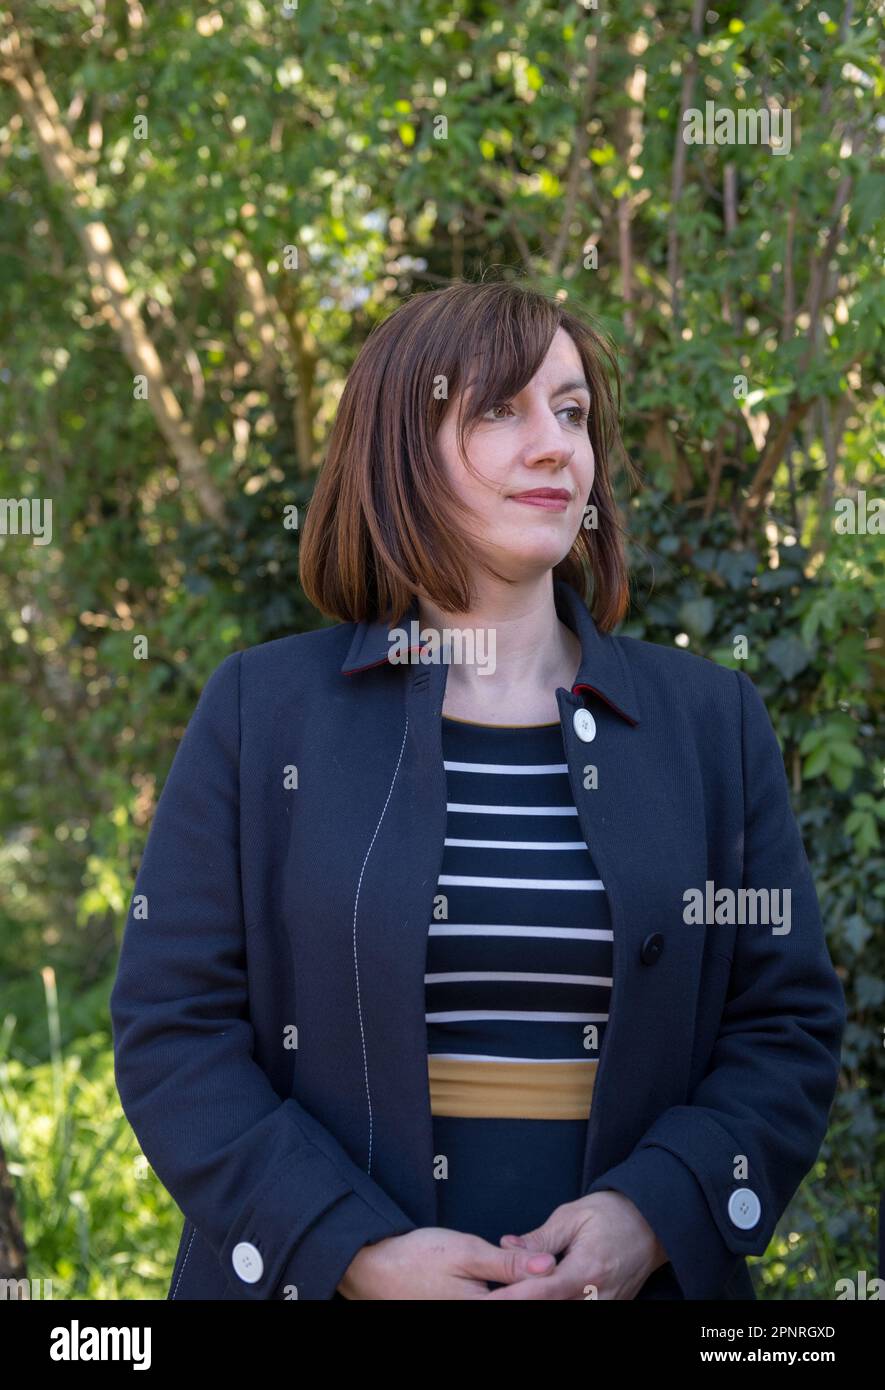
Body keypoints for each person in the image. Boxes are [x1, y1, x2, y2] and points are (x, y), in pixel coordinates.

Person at [110, 278, 846, 1300]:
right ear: (398, 449)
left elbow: (787, 1027)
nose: (555, 445)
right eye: (502, 408)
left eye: (574, 411)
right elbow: (172, 1027)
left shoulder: (710, 722)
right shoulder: (261, 712)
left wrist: (654, 1215)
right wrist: (350, 1251)